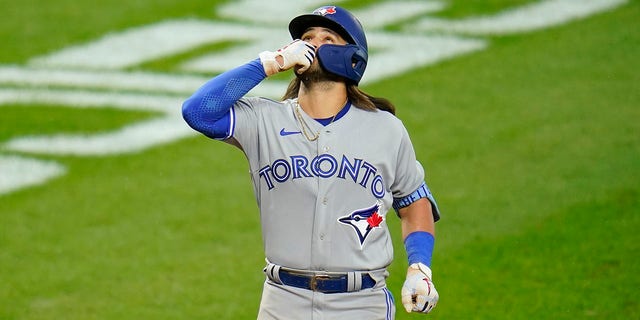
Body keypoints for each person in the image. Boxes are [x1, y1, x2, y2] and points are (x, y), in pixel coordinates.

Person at [182, 5, 441, 319]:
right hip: (283, 300)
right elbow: (198, 112)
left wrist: (419, 267)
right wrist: (268, 64)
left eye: (327, 38)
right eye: (307, 37)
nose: (312, 44)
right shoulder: (263, 120)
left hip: (361, 304)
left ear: (353, 57)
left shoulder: (385, 129)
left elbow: (414, 200)